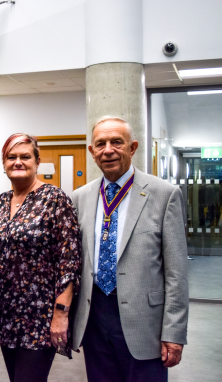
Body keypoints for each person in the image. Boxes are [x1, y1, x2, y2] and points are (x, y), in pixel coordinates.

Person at [72, 116, 189, 382]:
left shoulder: (164, 194)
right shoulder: (80, 197)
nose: (108, 150)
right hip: (94, 319)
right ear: (92, 152)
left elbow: (177, 273)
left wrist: (173, 333)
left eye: (117, 142)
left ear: (133, 147)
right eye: (100, 144)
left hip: (144, 323)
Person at [0, 133, 82, 382]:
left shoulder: (55, 199)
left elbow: (69, 262)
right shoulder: (2, 201)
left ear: (37, 161)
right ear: (4, 162)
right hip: (5, 312)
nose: (18, 162)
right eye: (11, 157)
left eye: (25, 156)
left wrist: (61, 314)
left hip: (38, 315)